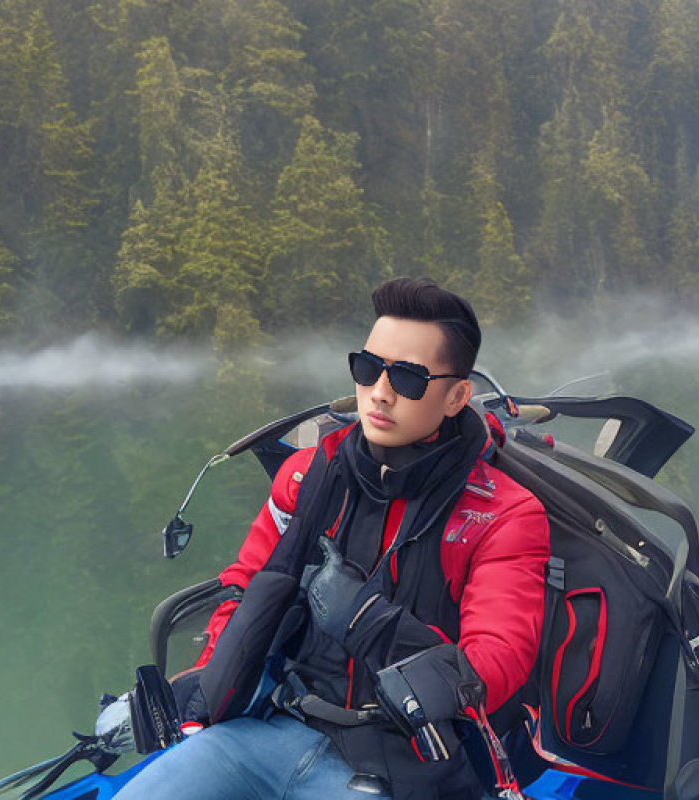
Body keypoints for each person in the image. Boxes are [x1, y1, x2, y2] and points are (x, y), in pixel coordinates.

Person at [115, 277, 550, 800]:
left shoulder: (503, 513)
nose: (380, 393)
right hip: (275, 726)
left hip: (405, 762)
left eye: (409, 379)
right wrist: (204, 680)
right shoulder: (307, 475)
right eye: (368, 369)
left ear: (457, 396)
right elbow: (245, 586)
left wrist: (373, 624)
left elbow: (497, 665)